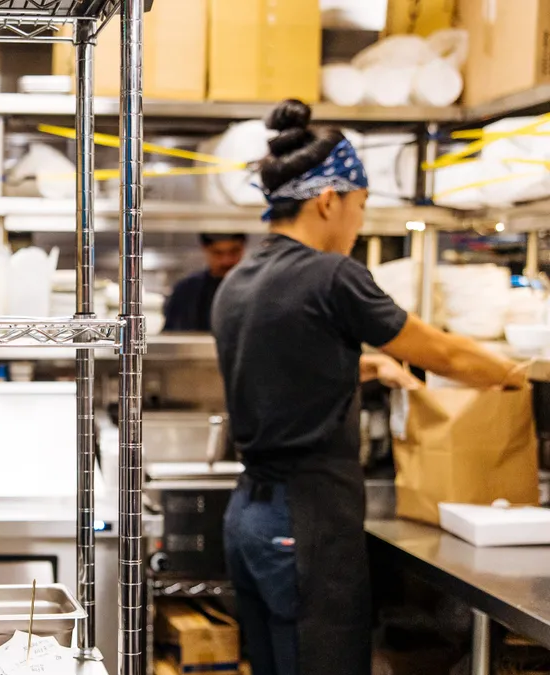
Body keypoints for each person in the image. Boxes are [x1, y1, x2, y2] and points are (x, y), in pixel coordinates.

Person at [211, 100, 526, 675]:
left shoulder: (240, 281)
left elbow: (285, 366)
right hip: (305, 522)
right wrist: (513, 372)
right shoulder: (332, 276)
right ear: (328, 200)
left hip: (250, 520)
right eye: (360, 206)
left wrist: (367, 368)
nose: (358, 225)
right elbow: (446, 352)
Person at [163, 234, 246, 332]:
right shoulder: (185, 290)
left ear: (243, 249)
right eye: (218, 253)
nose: (226, 261)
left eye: (234, 252)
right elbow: (170, 334)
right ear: (205, 250)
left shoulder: (253, 289)